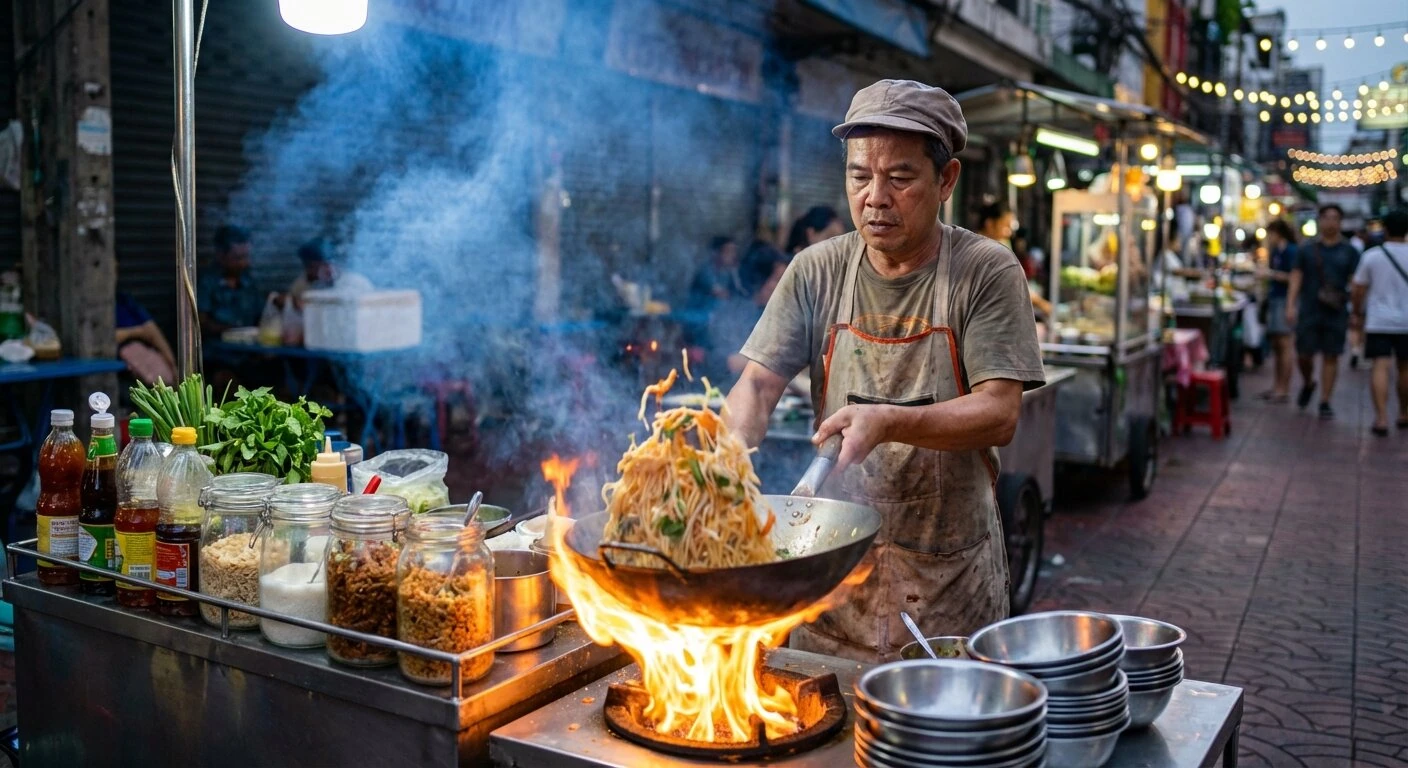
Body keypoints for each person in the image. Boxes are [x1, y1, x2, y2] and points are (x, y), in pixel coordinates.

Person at [725, 79, 1044, 662]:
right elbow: (757, 383)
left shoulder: (986, 272)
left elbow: (999, 412)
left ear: (946, 181)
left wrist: (888, 421)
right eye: (858, 176)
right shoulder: (814, 270)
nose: (875, 197)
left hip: (946, 589)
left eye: (900, 178)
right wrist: (727, 462)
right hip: (833, 581)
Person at [1287, 204, 1361, 420]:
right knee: (1303, 354)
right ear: (1319, 221)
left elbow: (1355, 283)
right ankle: (1309, 382)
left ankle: (1325, 400)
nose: (1330, 222)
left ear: (1340, 222)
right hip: (1309, 309)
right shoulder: (1307, 249)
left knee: (1331, 355)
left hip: (1336, 311)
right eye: (1326, 218)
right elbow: (1296, 276)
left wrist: (1356, 310)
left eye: (1335, 218)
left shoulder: (1349, 251)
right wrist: (1290, 304)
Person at [1350, 208, 1408, 436]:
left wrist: (1356, 312)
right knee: (1405, 367)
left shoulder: (1372, 256)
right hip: (1407, 322)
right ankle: (1404, 412)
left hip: (1379, 320)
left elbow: (1358, 289)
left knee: (1380, 366)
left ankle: (1381, 418)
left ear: (1384, 229)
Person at [197, 225, 263, 337]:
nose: (244, 263)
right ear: (221, 255)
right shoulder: (206, 283)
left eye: (246, 257)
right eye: (238, 258)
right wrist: (231, 331)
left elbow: (261, 315)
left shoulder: (249, 281)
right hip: (217, 351)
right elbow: (200, 323)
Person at [1260, 220, 1298, 403]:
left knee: (1285, 344)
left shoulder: (1291, 251)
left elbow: (1294, 277)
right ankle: (1277, 385)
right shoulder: (1276, 251)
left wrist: (1271, 274)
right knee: (1276, 344)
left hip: (1284, 300)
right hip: (1275, 299)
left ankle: (1284, 388)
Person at [286, 237, 374, 307]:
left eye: (328, 264)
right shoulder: (301, 286)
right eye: (315, 267)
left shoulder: (357, 283)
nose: (328, 269)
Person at [115, 291, 177, 386]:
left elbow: (152, 331)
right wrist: (137, 332)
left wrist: (172, 365)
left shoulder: (123, 299)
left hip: (145, 355)